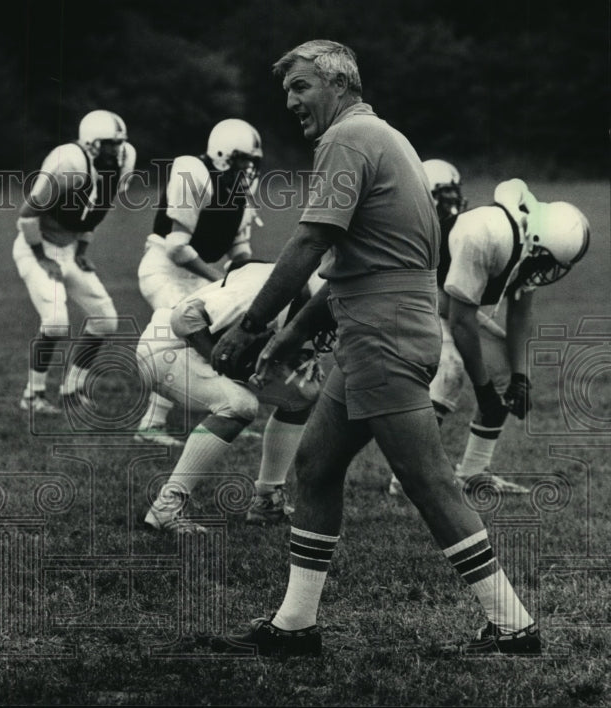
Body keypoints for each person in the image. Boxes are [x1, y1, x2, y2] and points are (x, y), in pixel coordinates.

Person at [208, 40, 540, 656]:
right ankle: (294, 626)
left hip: (382, 336)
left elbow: (310, 243)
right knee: (315, 465)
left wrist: (250, 326)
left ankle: (514, 625)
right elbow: (351, 271)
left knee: (429, 481)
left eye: (301, 87)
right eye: (287, 90)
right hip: (379, 327)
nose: (291, 102)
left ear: (338, 84)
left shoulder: (348, 140)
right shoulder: (383, 137)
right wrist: (284, 338)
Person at [389, 173, 590, 496]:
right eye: (550, 262)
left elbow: (520, 316)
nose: (549, 271)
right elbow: (461, 322)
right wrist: (482, 389)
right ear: (540, 243)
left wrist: (520, 376)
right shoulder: (488, 233)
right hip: (403, 292)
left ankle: (473, 472)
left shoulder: (528, 244)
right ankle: (408, 477)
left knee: (505, 374)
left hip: (443, 303)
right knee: (450, 370)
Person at [137, 262, 325, 533]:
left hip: (192, 348)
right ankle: (167, 507)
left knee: (302, 395)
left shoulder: (301, 287)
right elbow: (185, 317)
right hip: (167, 348)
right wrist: (226, 364)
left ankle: (267, 501)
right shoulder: (270, 290)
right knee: (240, 405)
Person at [133, 119, 265, 447]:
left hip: (202, 277)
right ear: (222, 154)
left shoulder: (240, 190)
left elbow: (239, 252)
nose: (247, 169)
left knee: (230, 334)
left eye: (251, 162)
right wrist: (220, 280)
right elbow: (177, 247)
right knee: (179, 331)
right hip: (164, 270)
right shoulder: (194, 172)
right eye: (242, 161)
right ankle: (150, 425)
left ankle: (230, 413)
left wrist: (250, 280)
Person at [14, 109, 135, 415]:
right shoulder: (70, 162)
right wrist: (42, 258)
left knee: (105, 319)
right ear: (92, 143)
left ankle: (72, 388)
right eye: (110, 144)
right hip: (37, 247)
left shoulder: (120, 163)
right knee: (55, 323)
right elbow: (27, 216)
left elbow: (95, 212)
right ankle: (33, 395)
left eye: (119, 143)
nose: (116, 150)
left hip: (68, 251)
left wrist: (81, 251)